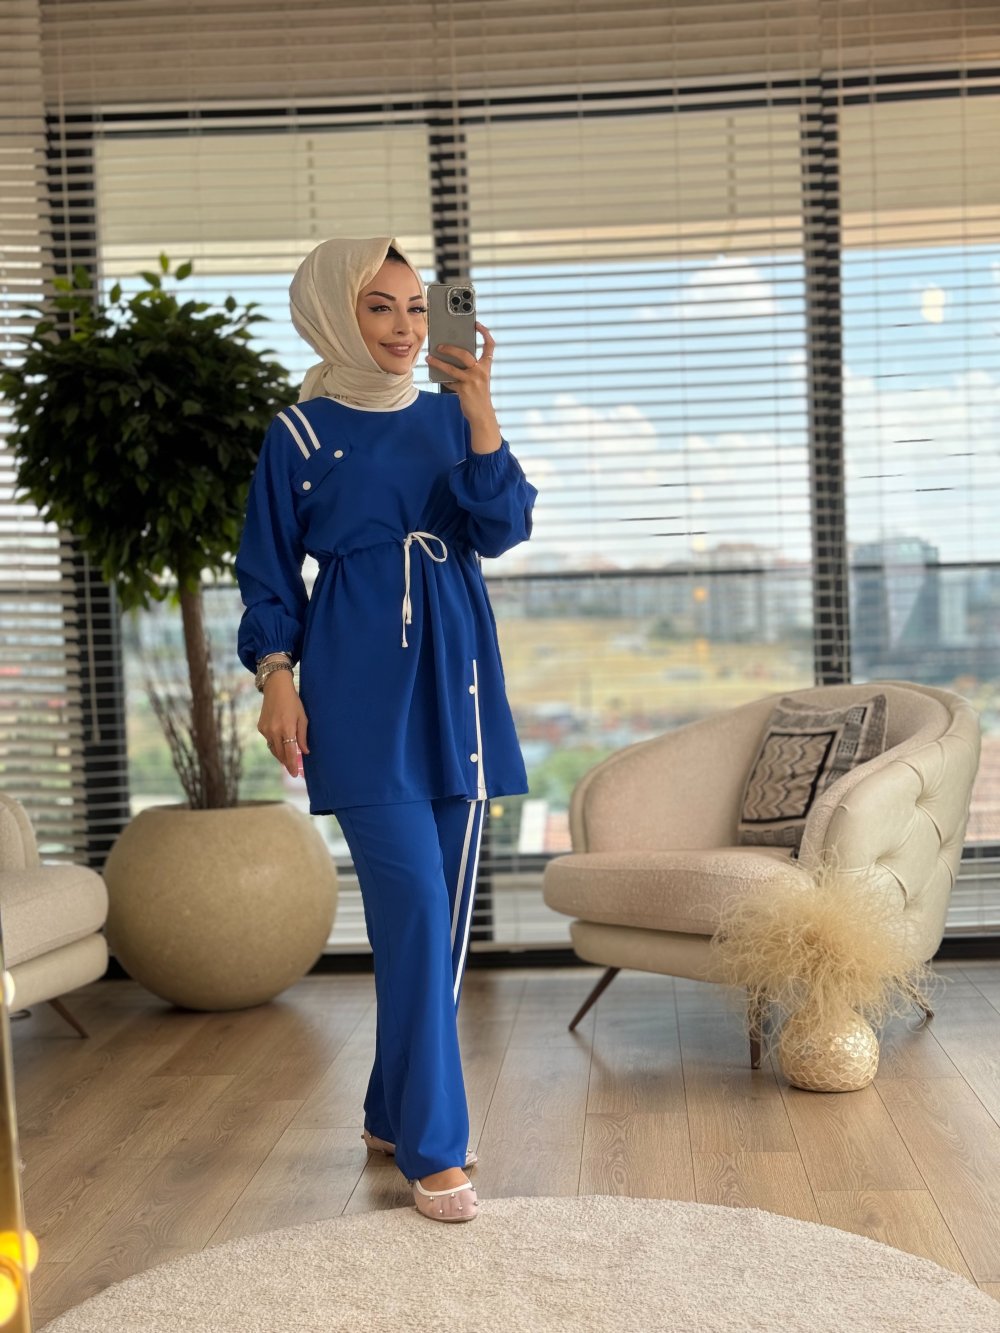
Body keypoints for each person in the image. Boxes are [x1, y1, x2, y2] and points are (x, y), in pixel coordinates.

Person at [234, 237, 537, 1223]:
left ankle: (386, 1109)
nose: (405, 328)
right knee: (411, 911)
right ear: (335, 313)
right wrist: (277, 677)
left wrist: (481, 412)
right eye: (380, 307)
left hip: (458, 686)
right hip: (356, 690)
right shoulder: (297, 433)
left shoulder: (451, 417)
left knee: (434, 929)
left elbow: (502, 529)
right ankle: (433, 1146)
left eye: (416, 307)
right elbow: (268, 571)